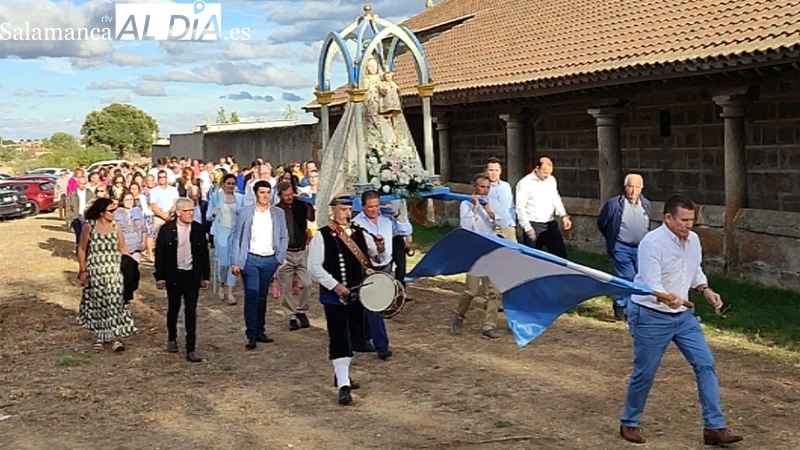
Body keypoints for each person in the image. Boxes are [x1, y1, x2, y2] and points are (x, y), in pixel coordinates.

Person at [619, 194, 743, 446]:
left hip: (684, 318)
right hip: (651, 317)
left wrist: (705, 289)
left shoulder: (694, 240)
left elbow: (694, 270)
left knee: (705, 364)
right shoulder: (651, 243)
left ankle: (714, 428)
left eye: (692, 220)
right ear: (668, 218)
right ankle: (629, 422)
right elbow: (651, 282)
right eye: (684, 220)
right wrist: (667, 298)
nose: (689, 225)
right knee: (646, 372)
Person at [308, 195, 390, 405]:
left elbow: (376, 260)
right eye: (342, 209)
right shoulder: (323, 236)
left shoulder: (361, 234)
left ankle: (341, 374)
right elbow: (314, 267)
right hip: (334, 297)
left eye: (348, 210)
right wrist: (335, 285)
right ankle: (344, 387)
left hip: (356, 295)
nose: (346, 213)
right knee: (340, 339)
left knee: (354, 338)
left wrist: (380, 247)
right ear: (333, 210)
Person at [352, 190, 413, 360]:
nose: (374, 210)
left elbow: (406, 229)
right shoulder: (357, 224)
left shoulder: (387, 220)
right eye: (370, 207)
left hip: (385, 265)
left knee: (371, 305)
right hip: (367, 267)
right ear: (363, 207)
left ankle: (363, 339)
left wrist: (396, 214)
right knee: (374, 306)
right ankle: (382, 346)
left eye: (377, 206)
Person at [230, 180, 289, 350]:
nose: (265, 196)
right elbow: (237, 237)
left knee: (262, 295)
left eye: (267, 192)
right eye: (262, 192)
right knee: (252, 295)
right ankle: (251, 334)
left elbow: (283, 236)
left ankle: (260, 330)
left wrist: (280, 257)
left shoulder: (278, 213)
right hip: (250, 258)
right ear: (255, 194)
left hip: (270, 259)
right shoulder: (246, 212)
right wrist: (236, 260)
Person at [154, 197, 211, 363]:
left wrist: (205, 276)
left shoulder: (199, 229)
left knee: (191, 311)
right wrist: (160, 276)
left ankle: (191, 348)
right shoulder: (167, 230)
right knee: (174, 308)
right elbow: (161, 255)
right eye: (187, 211)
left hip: (192, 275)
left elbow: (204, 255)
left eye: (192, 210)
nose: (190, 214)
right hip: (174, 275)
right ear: (178, 212)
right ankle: (172, 337)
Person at [77, 198, 136, 352]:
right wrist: (83, 270)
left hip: (114, 271)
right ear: (102, 212)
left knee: (116, 302)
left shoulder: (116, 227)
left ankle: (116, 337)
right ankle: (100, 336)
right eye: (111, 211)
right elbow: (82, 248)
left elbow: (123, 247)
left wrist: (130, 267)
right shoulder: (89, 227)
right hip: (96, 271)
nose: (114, 213)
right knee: (98, 303)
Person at [451, 173, 502, 339]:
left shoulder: (493, 204)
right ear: (475, 187)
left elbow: (501, 225)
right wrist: (474, 208)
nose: (485, 191)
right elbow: (466, 227)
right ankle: (459, 315)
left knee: (493, 292)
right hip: (474, 253)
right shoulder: (465, 204)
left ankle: (489, 326)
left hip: (491, 251)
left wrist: (489, 211)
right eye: (482, 187)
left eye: (487, 187)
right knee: (471, 291)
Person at [597, 173, 651, 321]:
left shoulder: (645, 204)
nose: (633, 190)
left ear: (642, 188)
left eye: (636, 187)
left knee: (639, 278)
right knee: (628, 276)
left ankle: (633, 307)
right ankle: (621, 305)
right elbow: (602, 222)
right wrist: (612, 238)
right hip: (621, 246)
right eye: (630, 186)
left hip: (640, 247)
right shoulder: (615, 204)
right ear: (625, 187)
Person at [275, 181, 315, 331]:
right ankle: (291, 315)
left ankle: (302, 310)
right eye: (286, 195)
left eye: (291, 194)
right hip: (285, 252)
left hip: (301, 250)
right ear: (280, 196)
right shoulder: (276, 210)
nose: (290, 197)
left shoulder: (301, 205)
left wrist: (310, 206)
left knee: (306, 283)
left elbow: (311, 218)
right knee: (285, 288)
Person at [515, 156, 572, 258]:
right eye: (545, 173)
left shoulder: (551, 180)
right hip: (534, 225)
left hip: (550, 224)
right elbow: (520, 207)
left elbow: (555, 198)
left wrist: (563, 215)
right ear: (537, 169)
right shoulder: (524, 183)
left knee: (561, 256)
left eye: (550, 173)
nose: (547, 176)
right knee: (531, 258)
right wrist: (527, 228)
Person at [207, 174, 245, 305]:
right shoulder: (215, 197)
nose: (230, 186)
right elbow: (208, 216)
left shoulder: (240, 198)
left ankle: (230, 291)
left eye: (233, 183)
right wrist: (213, 213)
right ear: (223, 184)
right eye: (228, 183)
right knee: (223, 263)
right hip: (221, 231)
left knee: (233, 263)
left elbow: (244, 214)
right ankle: (221, 283)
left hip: (235, 232)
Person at [485, 157, 516, 242]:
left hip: (508, 227)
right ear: (486, 171)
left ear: (500, 171)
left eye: (496, 170)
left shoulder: (506, 186)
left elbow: (511, 205)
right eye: (491, 170)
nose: (494, 173)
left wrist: (512, 223)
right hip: (491, 227)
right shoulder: (483, 188)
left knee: (513, 253)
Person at [65, 176, 94, 246]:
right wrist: (69, 220)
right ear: (78, 183)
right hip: (76, 217)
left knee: (87, 235)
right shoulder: (73, 194)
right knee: (79, 234)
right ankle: (79, 250)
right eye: (81, 183)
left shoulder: (89, 193)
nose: (82, 185)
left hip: (87, 217)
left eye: (84, 183)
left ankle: (86, 251)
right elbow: (68, 207)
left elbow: (93, 204)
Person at [149, 169, 179, 236]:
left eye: (164, 177)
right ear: (158, 178)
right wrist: (163, 215)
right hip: (159, 218)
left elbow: (175, 203)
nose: (162, 179)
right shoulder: (154, 191)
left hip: (172, 217)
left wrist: (168, 214)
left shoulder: (173, 190)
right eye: (160, 177)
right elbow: (153, 206)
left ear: (167, 178)